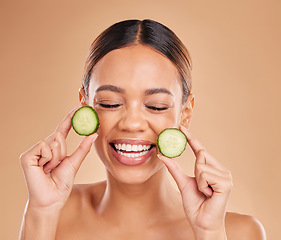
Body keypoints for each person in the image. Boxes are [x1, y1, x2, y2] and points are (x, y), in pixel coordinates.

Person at [19, 19, 266, 240]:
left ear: (185, 113)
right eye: (110, 103)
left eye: (156, 106)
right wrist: (42, 212)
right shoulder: (52, 213)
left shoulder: (240, 233)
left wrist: (209, 233)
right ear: (85, 105)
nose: (132, 123)